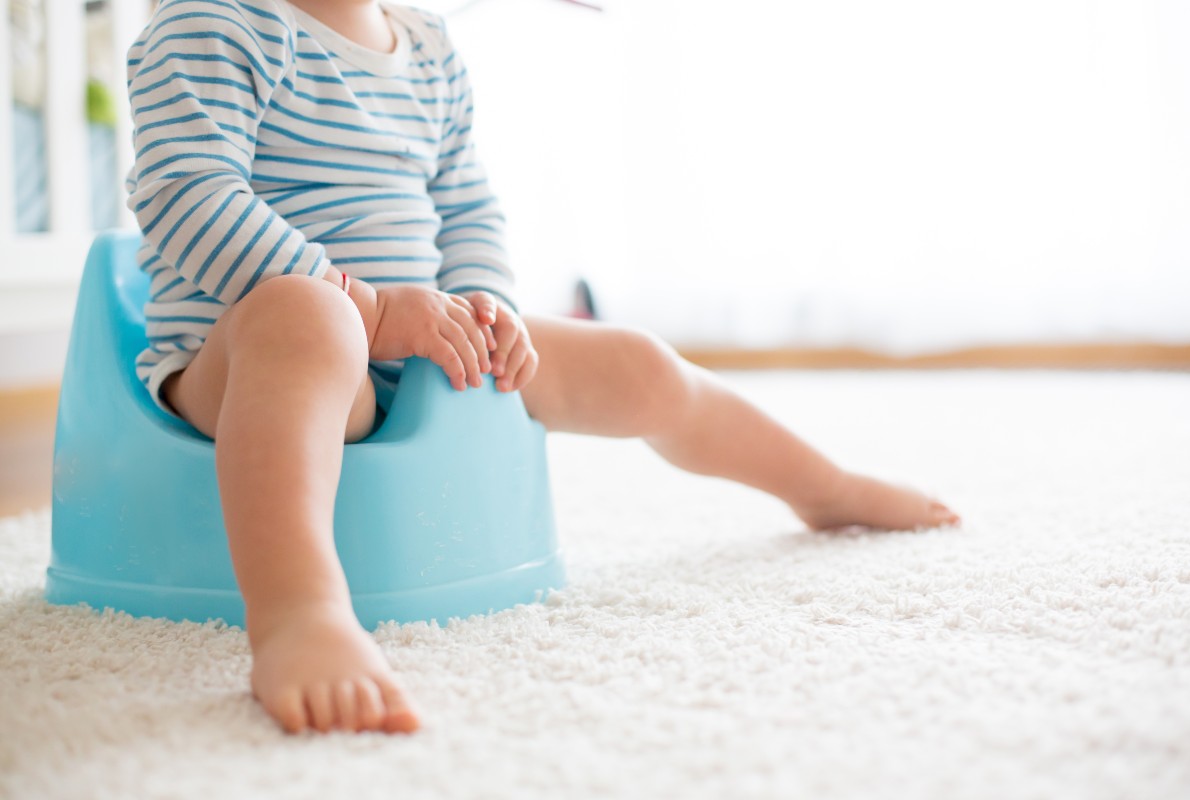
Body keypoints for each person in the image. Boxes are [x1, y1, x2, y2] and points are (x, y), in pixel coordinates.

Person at [125, 0, 959, 736]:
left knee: (635, 364)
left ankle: (822, 486)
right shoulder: (216, 19)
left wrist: (486, 303)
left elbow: (468, 207)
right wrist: (369, 309)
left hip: (421, 343)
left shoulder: (427, 47)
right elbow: (185, 192)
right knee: (310, 315)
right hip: (244, 362)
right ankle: (299, 616)